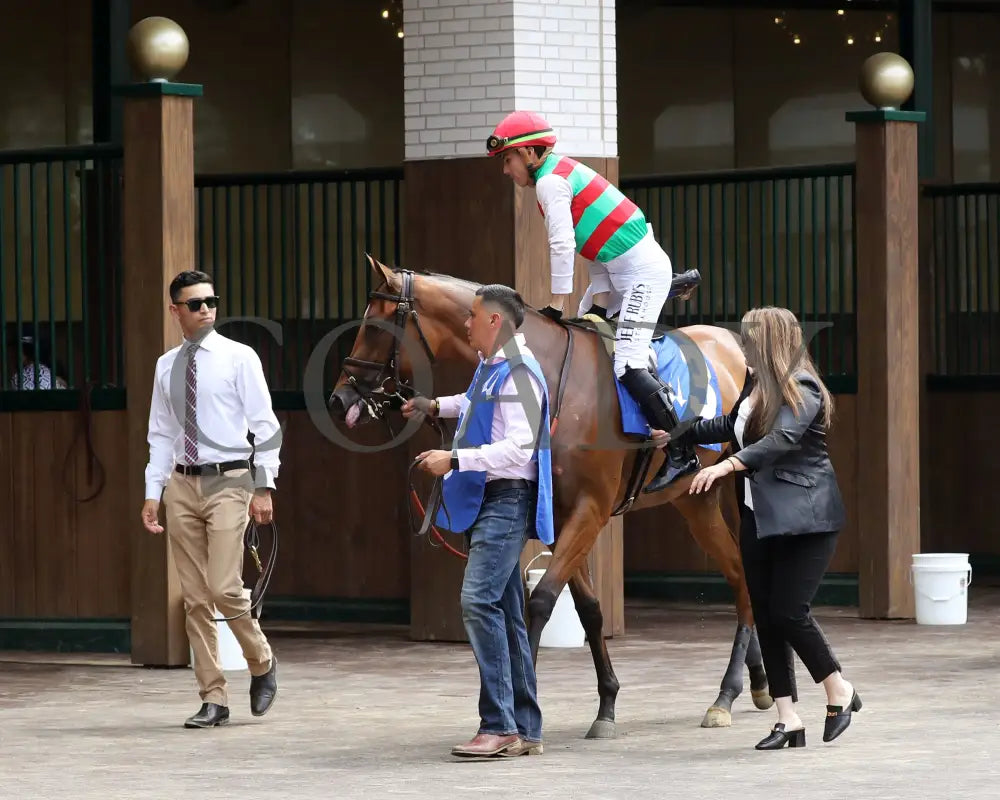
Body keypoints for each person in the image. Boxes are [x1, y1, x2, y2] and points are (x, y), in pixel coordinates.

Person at [486, 109, 699, 493]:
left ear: (532, 153)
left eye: (508, 158)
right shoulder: (560, 173)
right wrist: (596, 307)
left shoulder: (551, 182)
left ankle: (682, 450)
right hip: (620, 274)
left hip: (639, 276)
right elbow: (596, 248)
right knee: (586, 335)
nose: (506, 170)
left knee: (628, 361)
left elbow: (563, 244)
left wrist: (555, 303)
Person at [681, 306, 860, 750]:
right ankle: (788, 718)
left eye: (749, 338)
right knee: (765, 617)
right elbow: (730, 425)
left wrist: (727, 467)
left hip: (806, 520)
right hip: (759, 518)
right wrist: (677, 432)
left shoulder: (803, 387)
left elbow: (779, 440)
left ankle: (839, 688)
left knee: (789, 611)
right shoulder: (756, 389)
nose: (743, 346)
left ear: (772, 341)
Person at [402, 283, 553, 759]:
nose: (466, 323)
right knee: (505, 613)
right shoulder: (494, 369)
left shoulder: (521, 373)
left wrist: (455, 459)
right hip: (495, 500)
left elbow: (521, 447)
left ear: (496, 322)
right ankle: (523, 726)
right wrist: (435, 407)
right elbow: (474, 406)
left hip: (505, 499)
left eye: (473, 316)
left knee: (477, 600)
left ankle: (498, 725)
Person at [140, 269, 282, 729]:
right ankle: (213, 696)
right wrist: (153, 492)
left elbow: (265, 426)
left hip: (229, 480)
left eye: (211, 301)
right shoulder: (166, 365)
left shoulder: (240, 358)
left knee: (223, 586)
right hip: (181, 483)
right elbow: (160, 433)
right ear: (175, 310)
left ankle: (261, 661)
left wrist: (264, 485)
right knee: (195, 597)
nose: (205, 309)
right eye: (195, 303)